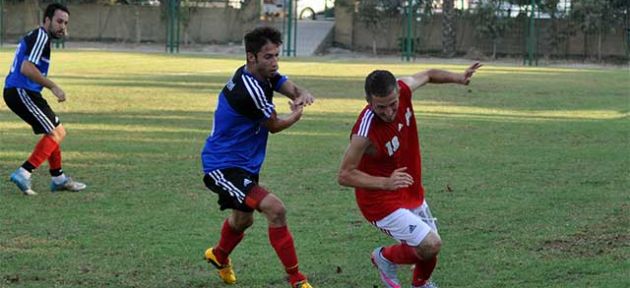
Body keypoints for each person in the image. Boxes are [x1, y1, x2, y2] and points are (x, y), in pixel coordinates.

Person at [337, 63, 482, 288]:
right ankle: (384, 257)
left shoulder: (404, 89)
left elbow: (428, 74)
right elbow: (345, 175)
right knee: (431, 244)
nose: (388, 112)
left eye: (392, 104)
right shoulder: (364, 132)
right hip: (380, 201)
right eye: (380, 107)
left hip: (409, 189)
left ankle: (420, 284)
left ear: (398, 91)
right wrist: (386, 182)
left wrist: (459, 77)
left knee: (428, 251)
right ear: (369, 102)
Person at [200, 26, 314, 288]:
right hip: (223, 166)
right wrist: (296, 114)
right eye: (268, 57)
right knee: (275, 209)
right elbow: (273, 125)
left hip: (245, 165)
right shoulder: (247, 89)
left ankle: (218, 255)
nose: (274, 62)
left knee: (243, 219)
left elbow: (288, 85)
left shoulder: (264, 74)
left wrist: (301, 94)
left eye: (276, 56)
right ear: (251, 57)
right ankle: (296, 278)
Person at [4, 3, 86, 196]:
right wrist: (53, 86)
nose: (62, 26)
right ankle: (24, 172)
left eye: (65, 23)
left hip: (24, 92)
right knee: (57, 132)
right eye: (58, 21)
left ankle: (58, 179)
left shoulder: (40, 37)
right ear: (47, 20)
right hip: (21, 91)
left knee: (55, 130)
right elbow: (26, 68)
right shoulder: (41, 36)